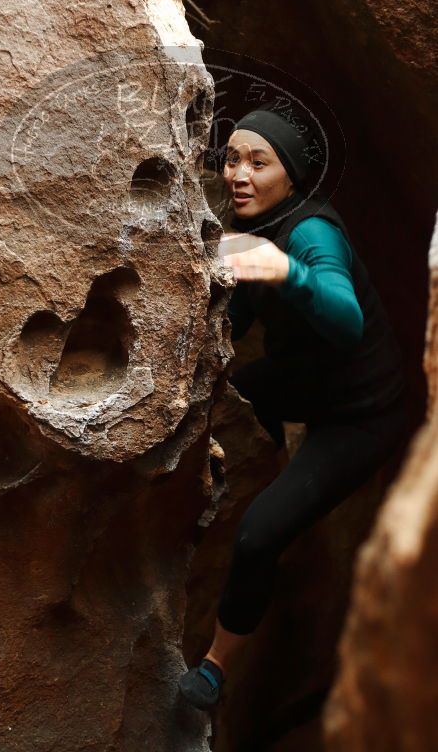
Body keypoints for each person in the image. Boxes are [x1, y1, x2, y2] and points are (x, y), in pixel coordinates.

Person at [178, 105, 408, 710]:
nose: (239, 174)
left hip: (361, 413)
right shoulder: (249, 230)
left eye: (260, 162)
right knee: (237, 395)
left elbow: (345, 315)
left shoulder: (309, 234)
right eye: (232, 159)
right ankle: (266, 457)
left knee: (258, 535)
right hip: (299, 381)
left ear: (291, 178)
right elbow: (236, 317)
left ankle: (213, 668)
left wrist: (288, 272)